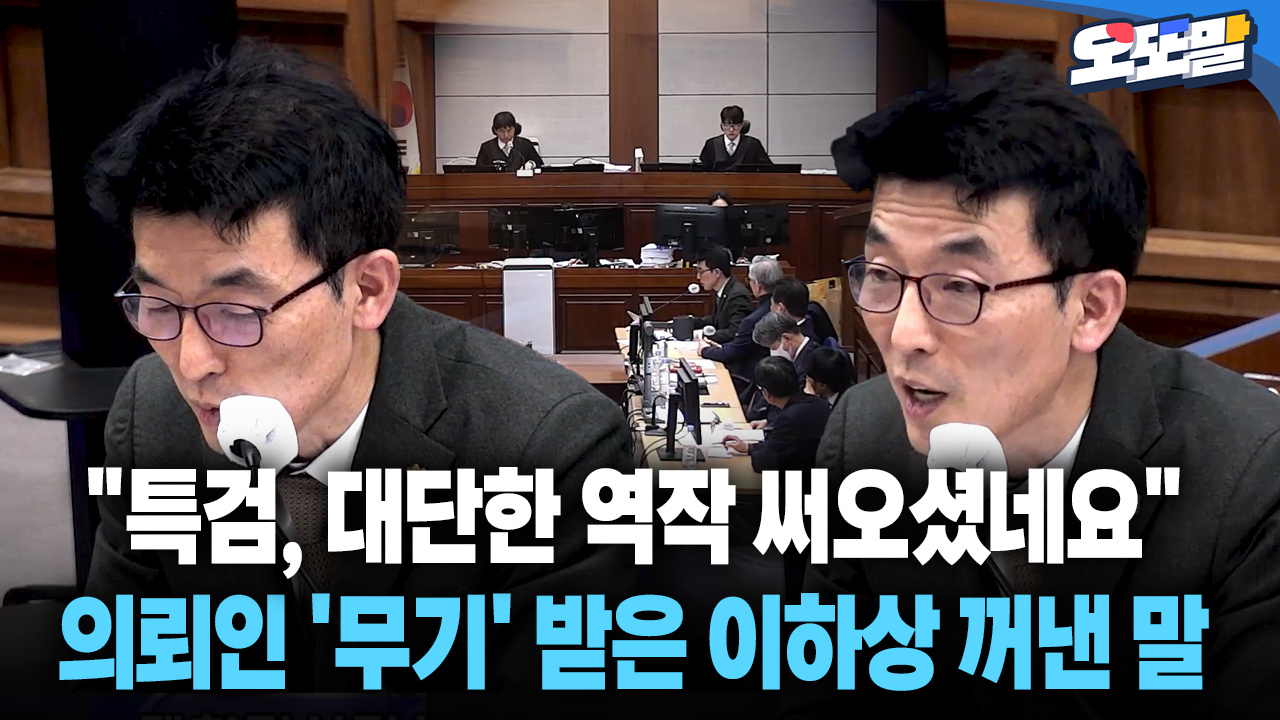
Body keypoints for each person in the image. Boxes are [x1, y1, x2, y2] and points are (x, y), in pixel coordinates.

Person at [81, 41, 632, 692]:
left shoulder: (548, 450)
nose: (192, 363)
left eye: (235, 311)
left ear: (367, 290)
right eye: (157, 305)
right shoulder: (151, 412)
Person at [783, 52, 1280, 718]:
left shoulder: (1251, 480)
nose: (904, 335)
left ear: (1091, 308)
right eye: (881, 274)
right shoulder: (864, 433)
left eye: (958, 286)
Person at [722, 356, 830, 604]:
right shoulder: (816, 404)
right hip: (821, 490)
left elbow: (766, 462)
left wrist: (752, 451)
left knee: (795, 563)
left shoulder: (791, 418)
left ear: (766, 393)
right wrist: (754, 444)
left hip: (800, 498)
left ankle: (797, 606)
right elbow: (786, 444)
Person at [699, 255, 782, 393]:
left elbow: (735, 352)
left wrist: (705, 350)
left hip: (752, 380)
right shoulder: (782, 307)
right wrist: (721, 348)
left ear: (757, 285)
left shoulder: (753, 319)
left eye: (749, 280)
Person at [690, 244, 752, 345]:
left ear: (717, 272)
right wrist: (688, 322)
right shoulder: (723, 290)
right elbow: (717, 320)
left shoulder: (737, 295)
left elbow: (735, 332)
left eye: (701, 271)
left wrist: (702, 335)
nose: (698, 277)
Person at [698, 105, 771, 172]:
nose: (731, 130)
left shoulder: (753, 144)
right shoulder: (711, 144)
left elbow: (768, 170)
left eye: (735, 126)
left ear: (741, 125)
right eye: (727, 126)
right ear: (722, 125)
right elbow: (703, 171)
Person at [752, 311, 816, 384]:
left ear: (786, 338)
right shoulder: (810, 349)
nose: (772, 353)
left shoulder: (806, 368)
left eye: (773, 348)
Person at [475, 111, 543, 169]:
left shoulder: (525, 145)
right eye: (502, 131)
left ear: (515, 128)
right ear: (495, 130)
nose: (506, 135)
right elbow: (479, 172)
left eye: (509, 130)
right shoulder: (486, 148)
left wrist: (532, 164)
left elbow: (540, 165)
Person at [770, 277, 821, 343]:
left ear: (780, 308)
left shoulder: (795, 343)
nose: (770, 308)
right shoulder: (810, 326)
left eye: (771, 304)